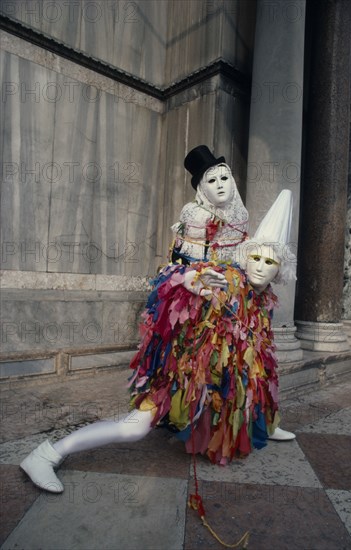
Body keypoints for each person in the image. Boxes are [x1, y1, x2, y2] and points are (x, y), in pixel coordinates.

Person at [20, 146, 295, 493]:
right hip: (185, 358)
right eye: (213, 180)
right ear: (201, 188)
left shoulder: (243, 241)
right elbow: (168, 278)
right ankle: (46, 454)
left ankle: (267, 424)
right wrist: (192, 282)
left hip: (220, 358)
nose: (222, 185)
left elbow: (254, 287)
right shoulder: (195, 226)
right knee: (137, 426)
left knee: (248, 379)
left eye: (226, 177)